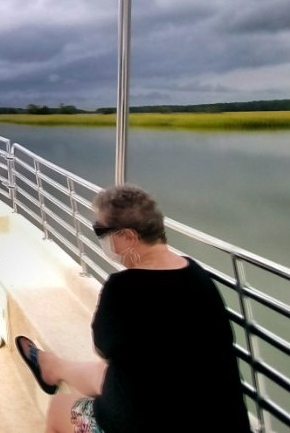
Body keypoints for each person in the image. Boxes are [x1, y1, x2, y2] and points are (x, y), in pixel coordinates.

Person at [15, 184, 251, 433]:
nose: (102, 239)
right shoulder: (198, 275)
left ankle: (52, 369)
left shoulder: (123, 288)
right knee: (105, 374)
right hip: (221, 420)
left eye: (101, 231)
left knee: (59, 408)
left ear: (128, 236)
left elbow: (102, 348)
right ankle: (50, 366)